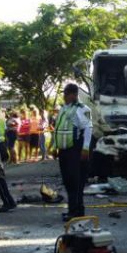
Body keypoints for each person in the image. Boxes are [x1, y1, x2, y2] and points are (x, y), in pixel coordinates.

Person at [52, 84, 92, 221]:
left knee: (76, 181)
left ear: (74, 94)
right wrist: (55, 147)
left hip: (76, 149)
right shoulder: (63, 109)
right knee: (68, 181)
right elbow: (59, 130)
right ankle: (74, 209)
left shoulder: (82, 109)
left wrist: (86, 148)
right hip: (64, 150)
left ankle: (76, 211)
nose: (64, 96)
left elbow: (88, 128)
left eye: (67, 94)